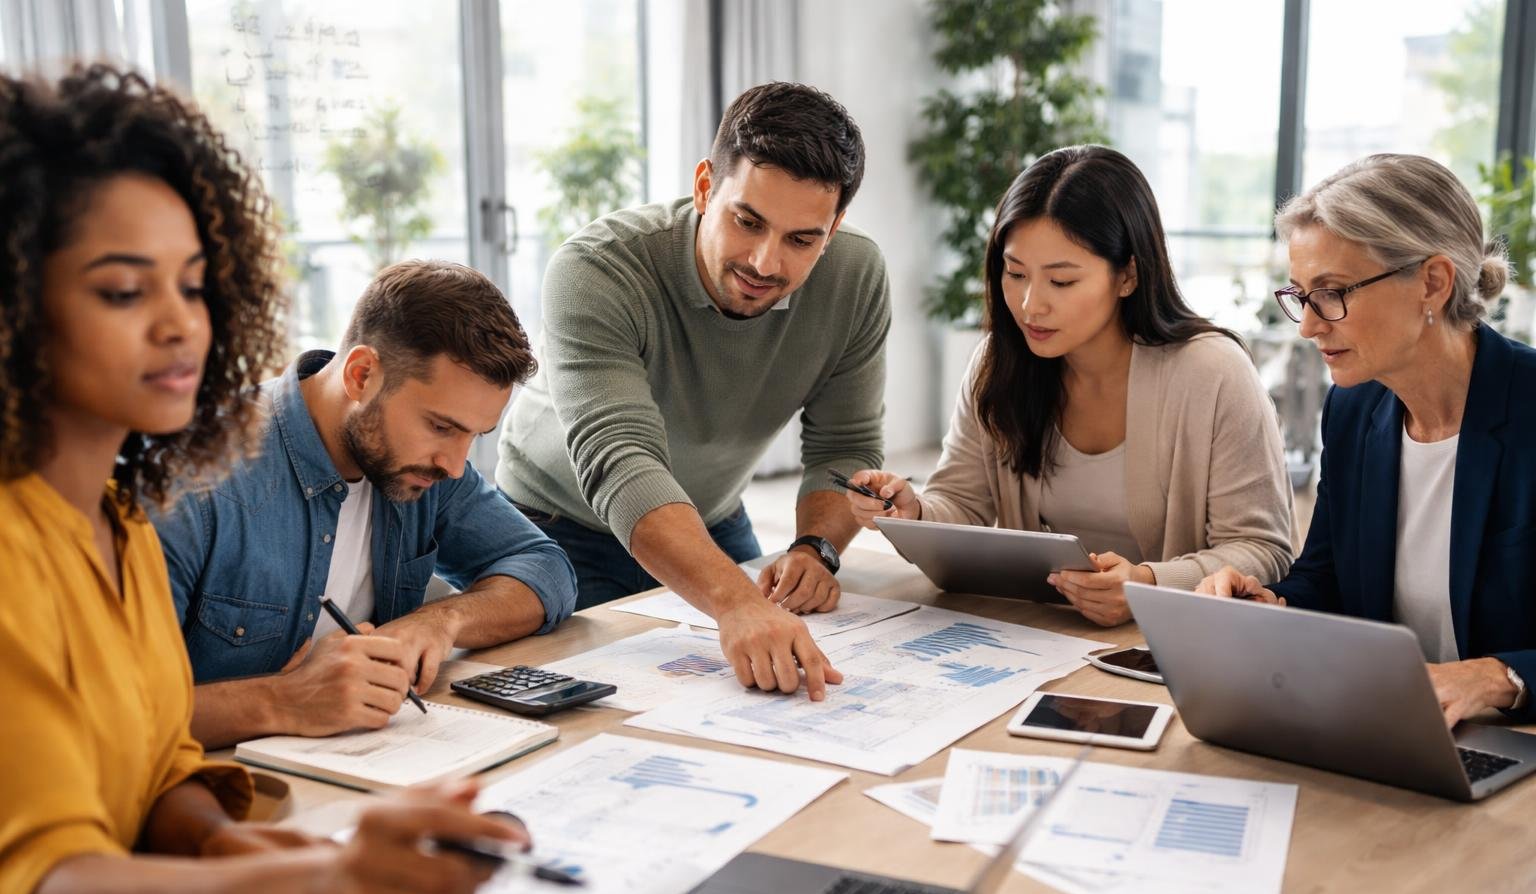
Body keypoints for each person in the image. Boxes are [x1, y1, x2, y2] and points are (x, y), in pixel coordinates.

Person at [0, 64, 524, 894]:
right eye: (126, 292)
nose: (181, 326)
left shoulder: (113, 519)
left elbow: (158, 765)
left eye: (194, 287)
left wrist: (249, 854)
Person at [497, 82, 889, 701]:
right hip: (553, 524)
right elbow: (623, 463)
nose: (765, 262)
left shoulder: (857, 276)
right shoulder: (597, 268)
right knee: (597, 718)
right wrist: (734, 602)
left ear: (834, 227)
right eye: (748, 221)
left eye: (801, 239)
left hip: (708, 515)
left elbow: (847, 442)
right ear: (706, 186)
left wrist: (817, 549)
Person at [845, 146, 1293, 626]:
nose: (1030, 305)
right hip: (1042, 634)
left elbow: (1263, 549)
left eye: (1061, 281)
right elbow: (962, 503)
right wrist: (913, 513)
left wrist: (1148, 582)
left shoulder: (1213, 372)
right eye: (1015, 274)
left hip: (1168, 643)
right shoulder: (997, 364)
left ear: (1128, 275)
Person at [153, 260, 579, 748]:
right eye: (441, 426)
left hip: (368, 763)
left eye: (473, 434)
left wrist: (440, 622)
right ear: (361, 375)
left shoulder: (422, 465)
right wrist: (284, 700)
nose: (456, 465)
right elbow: (104, 715)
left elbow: (546, 570)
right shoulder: (194, 481)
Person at [1198, 153, 1536, 728]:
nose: (1307, 325)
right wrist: (1273, 603)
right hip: (1392, 732)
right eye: (1301, 295)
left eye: (1332, 292)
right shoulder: (1356, 408)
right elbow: (1327, 578)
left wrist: (1500, 677)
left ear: (1432, 281)